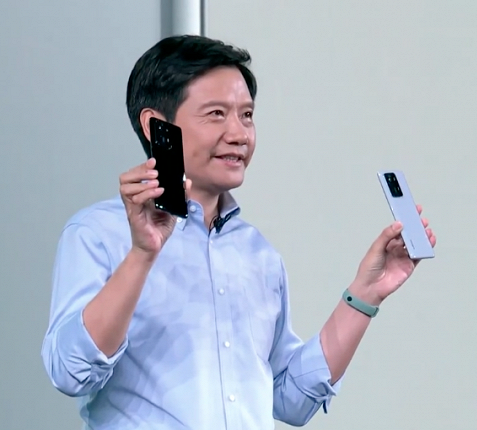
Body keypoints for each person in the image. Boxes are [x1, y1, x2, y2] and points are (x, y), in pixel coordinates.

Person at [41, 35, 436, 430]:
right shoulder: (98, 233)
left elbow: (291, 400)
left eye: (246, 115)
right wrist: (142, 255)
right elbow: (71, 373)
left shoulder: (258, 254)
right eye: (216, 114)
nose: (239, 134)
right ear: (156, 125)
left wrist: (365, 294)